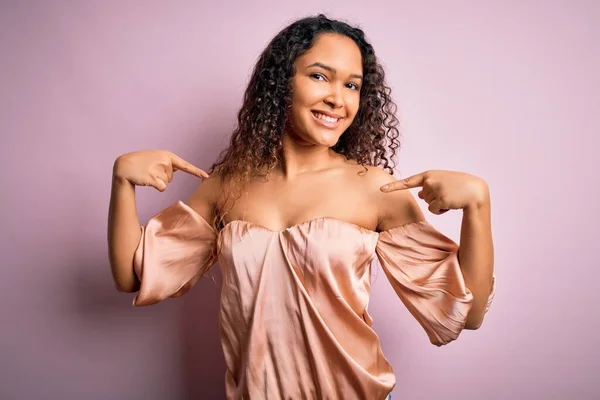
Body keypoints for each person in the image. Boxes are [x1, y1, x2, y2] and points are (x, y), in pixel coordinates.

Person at [107, 14, 496, 400]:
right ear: (280, 84)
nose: (337, 98)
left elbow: (468, 314)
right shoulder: (227, 186)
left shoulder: (377, 188)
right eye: (319, 76)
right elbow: (134, 276)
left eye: (352, 85)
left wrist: (478, 203)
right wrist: (123, 182)